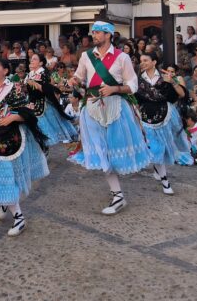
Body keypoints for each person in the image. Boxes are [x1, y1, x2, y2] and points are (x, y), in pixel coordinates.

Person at [67, 21, 152, 215]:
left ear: (108, 35)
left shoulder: (122, 58)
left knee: (114, 150)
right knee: (101, 150)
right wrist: (75, 80)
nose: (94, 35)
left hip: (116, 108)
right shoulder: (86, 57)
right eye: (94, 32)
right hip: (92, 107)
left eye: (97, 32)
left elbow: (133, 85)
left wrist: (115, 88)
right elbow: (80, 76)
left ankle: (119, 194)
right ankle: (118, 195)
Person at [0, 58, 49, 236]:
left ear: (6, 71)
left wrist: (12, 117)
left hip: (10, 139)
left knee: (7, 175)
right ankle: (5, 202)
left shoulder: (14, 88)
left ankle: (19, 218)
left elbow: (28, 113)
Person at [136, 52, 186, 195]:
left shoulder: (166, 78)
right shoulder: (138, 80)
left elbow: (181, 95)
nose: (143, 63)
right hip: (146, 116)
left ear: (154, 62)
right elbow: (135, 99)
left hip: (165, 115)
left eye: (146, 60)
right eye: (141, 61)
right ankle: (165, 181)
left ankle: (159, 171)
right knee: (156, 148)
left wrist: (173, 82)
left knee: (161, 147)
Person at [24, 53, 76, 144]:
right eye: (31, 59)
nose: (32, 60)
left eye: (35, 59)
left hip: (42, 103)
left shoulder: (43, 73)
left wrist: (36, 85)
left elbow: (46, 88)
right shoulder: (30, 74)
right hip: (31, 101)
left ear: (40, 63)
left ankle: (44, 146)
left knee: (42, 126)